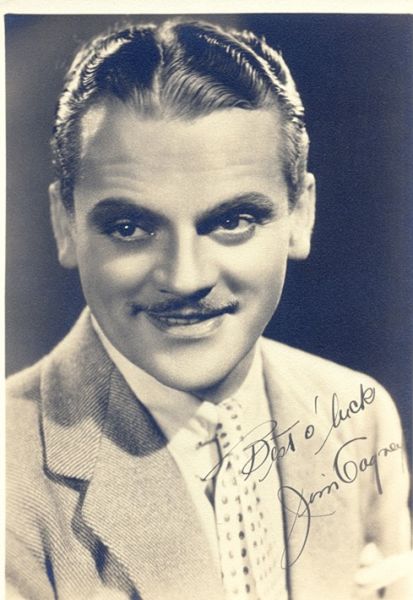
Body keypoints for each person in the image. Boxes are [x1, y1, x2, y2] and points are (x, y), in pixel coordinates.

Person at [6, 19, 411, 600]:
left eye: (232, 221)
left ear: (301, 215)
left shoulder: (357, 413)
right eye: (130, 227)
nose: (185, 278)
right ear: (65, 226)